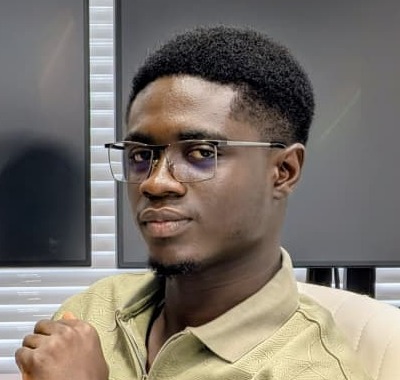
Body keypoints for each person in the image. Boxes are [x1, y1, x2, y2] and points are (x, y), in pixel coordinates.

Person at [15, 26, 371, 380]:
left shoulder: (313, 371)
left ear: (283, 171)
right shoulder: (92, 313)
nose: (155, 182)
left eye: (201, 153)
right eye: (141, 155)